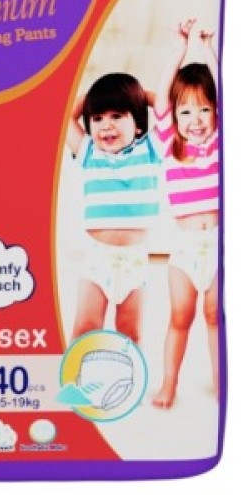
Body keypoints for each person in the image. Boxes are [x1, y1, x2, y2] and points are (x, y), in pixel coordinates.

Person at [151, 19, 221, 408]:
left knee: (214, 316)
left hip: (217, 245)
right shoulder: (170, 144)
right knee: (181, 317)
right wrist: (181, 48)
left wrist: (207, 50)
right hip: (184, 248)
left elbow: (225, 91)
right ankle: (169, 383)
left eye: (205, 109)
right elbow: (162, 97)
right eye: (187, 111)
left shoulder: (218, 143)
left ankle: (220, 380)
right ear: (175, 117)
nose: (196, 120)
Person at [65, 72, 161, 346]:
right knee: (86, 326)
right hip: (98, 258)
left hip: (135, 261)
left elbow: (172, 114)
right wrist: (94, 97)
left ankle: (128, 376)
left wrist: (142, 97)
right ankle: (74, 373)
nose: (106, 125)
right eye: (97, 118)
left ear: (138, 124)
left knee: (130, 332)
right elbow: (64, 117)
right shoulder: (89, 153)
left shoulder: (150, 149)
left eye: (117, 116)